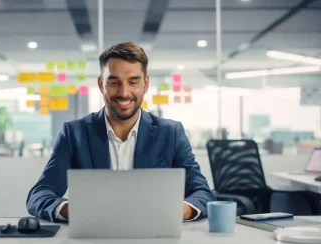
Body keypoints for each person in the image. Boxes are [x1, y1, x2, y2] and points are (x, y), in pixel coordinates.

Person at [26, 42, 216, 222]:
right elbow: (39, 195)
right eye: (114, 82)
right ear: (101, 85)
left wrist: (178, 209)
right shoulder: (74, 133)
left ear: (146, 84)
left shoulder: (171, 133)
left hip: (155, 240)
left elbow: (202, 193)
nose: (124, 93)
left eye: (133, 82)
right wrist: (74, 210)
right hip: (92, 240)